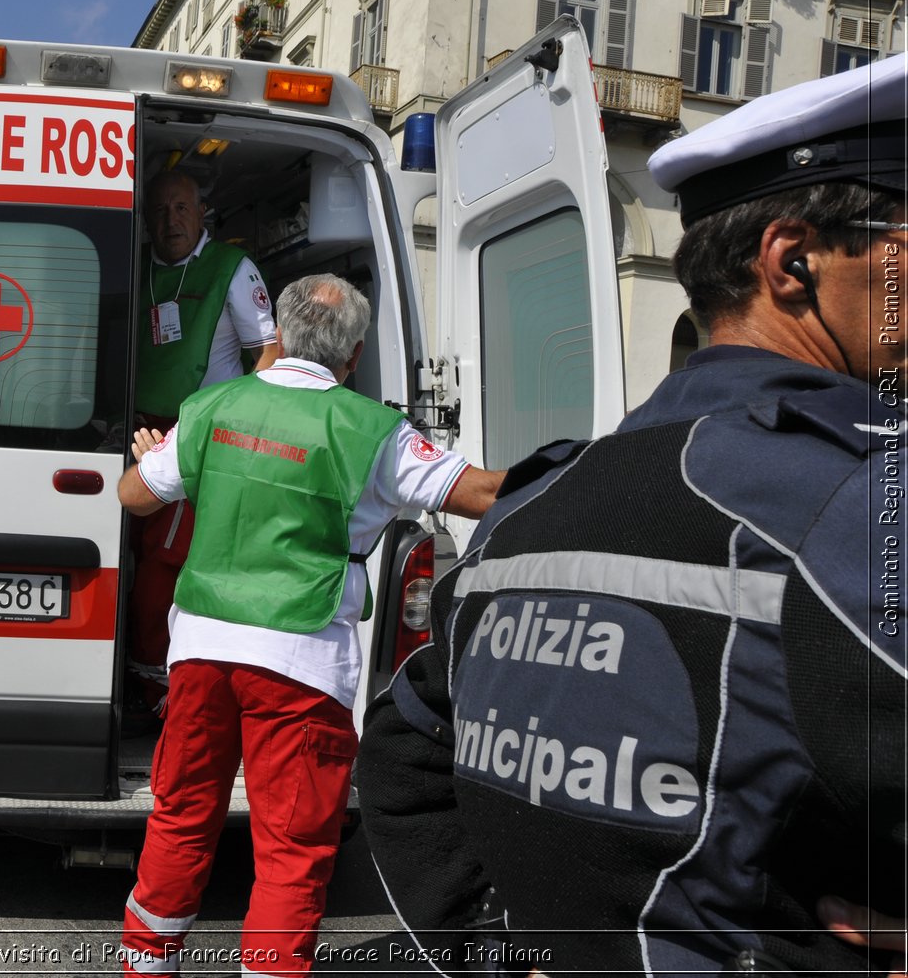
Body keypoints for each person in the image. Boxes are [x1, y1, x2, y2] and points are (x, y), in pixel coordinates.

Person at [359, 56, 907, 974]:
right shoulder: (857, 506)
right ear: (793, 261)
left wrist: (502, 951)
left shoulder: (531, 509)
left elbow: (403, 746)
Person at [116, 274, 504, 977]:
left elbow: (137, 495)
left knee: (179, 820)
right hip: (301, 663)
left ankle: (145, 967)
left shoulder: (211, 406)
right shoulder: (372, 430)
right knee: (289, 853)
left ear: (281, 336)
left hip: (202, 650)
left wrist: (150, 459)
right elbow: (476, 492)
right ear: (353, 355)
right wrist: (584, 468)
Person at [128, 168, 282, 717]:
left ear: (201, 216)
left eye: (182, 209)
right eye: (161, 210)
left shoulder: (232, 269)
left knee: (163, 563)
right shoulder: (134, 263)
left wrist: (238, 427)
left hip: (196, 436)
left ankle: (160, 686)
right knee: (126, 558)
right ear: (146, 218)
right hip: (134, 430)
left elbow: (268, 351)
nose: (171, 220)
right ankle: (143, 677)